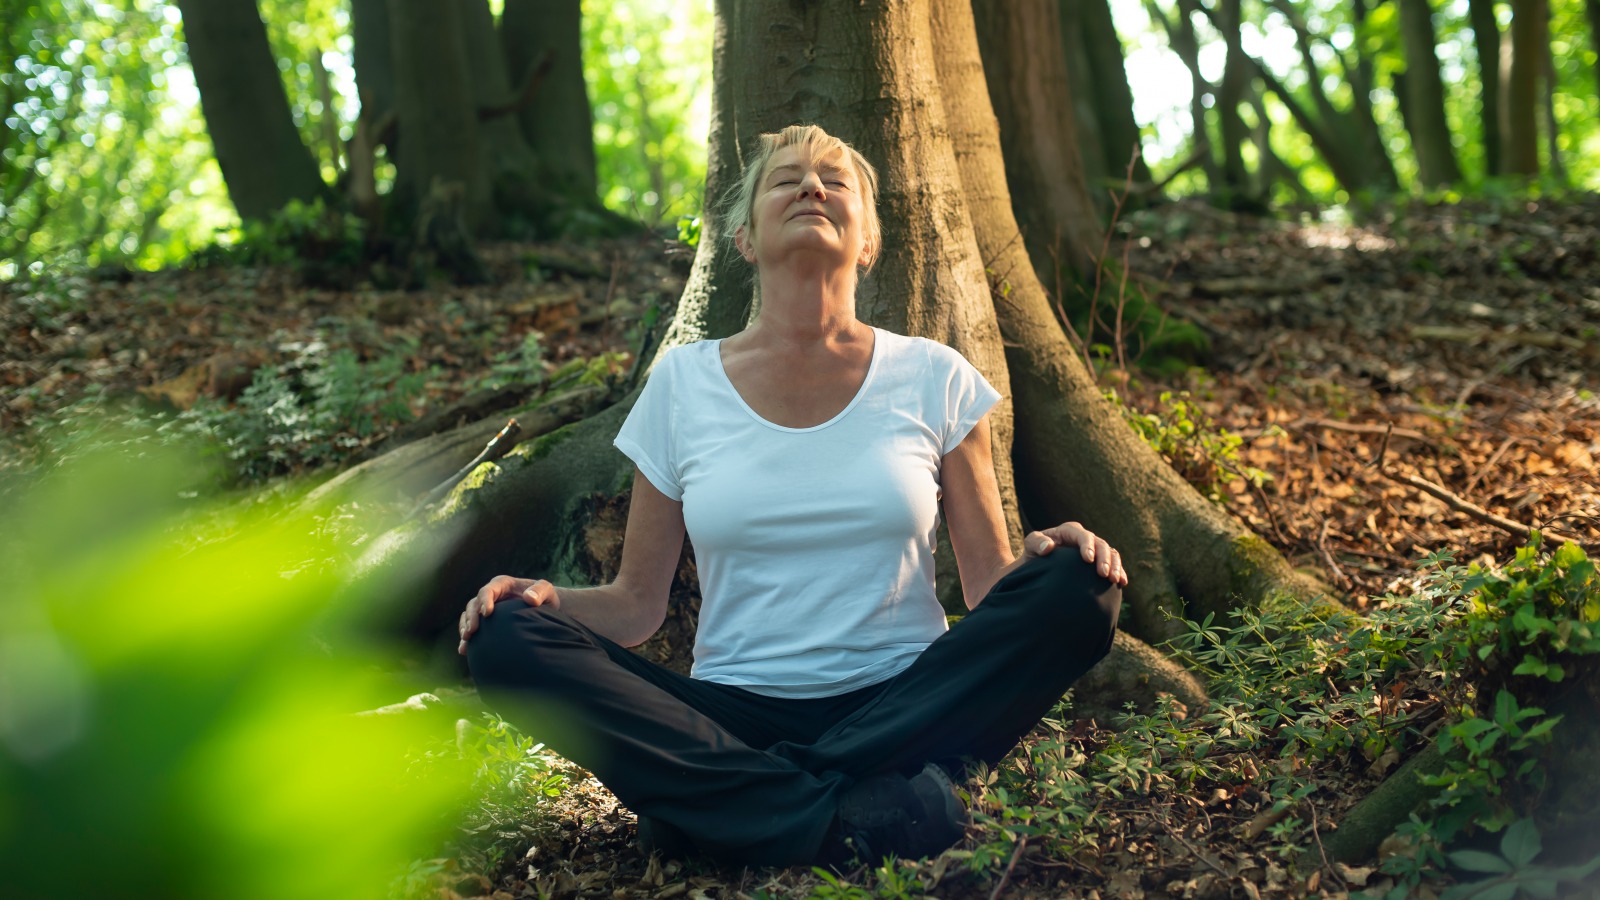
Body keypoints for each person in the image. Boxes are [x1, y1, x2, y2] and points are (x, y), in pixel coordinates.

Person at [458, 124, 1125, 868]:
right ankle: (846, 815)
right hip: (733, 714)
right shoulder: (682, 383)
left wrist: (1045, 555)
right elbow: (637, 606)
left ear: (867, 240)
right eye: (787, 178)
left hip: (903, 698)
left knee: (1081, 588)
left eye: (835, 180)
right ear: (743, 238)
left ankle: (732, 809)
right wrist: (541, 597)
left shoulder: (934, 374)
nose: (812, 187)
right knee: (506, 636)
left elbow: (985, 583)